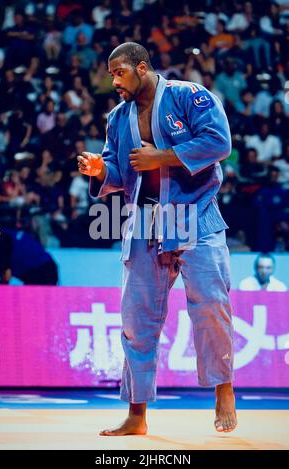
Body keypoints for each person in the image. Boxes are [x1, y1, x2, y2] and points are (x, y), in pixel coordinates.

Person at [77, 42, 237, 435]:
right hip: (145, 220)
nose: (114, 80)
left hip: (195, 214)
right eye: (111, 73)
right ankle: (137, 415)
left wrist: (161, 157)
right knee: (136, 319)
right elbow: (118, 168)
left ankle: (224, 390)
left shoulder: (188, 96)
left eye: (119, 72)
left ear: (142, 67)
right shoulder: (117, 117)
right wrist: (100, 170)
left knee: (211, 304)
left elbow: (219, 142)